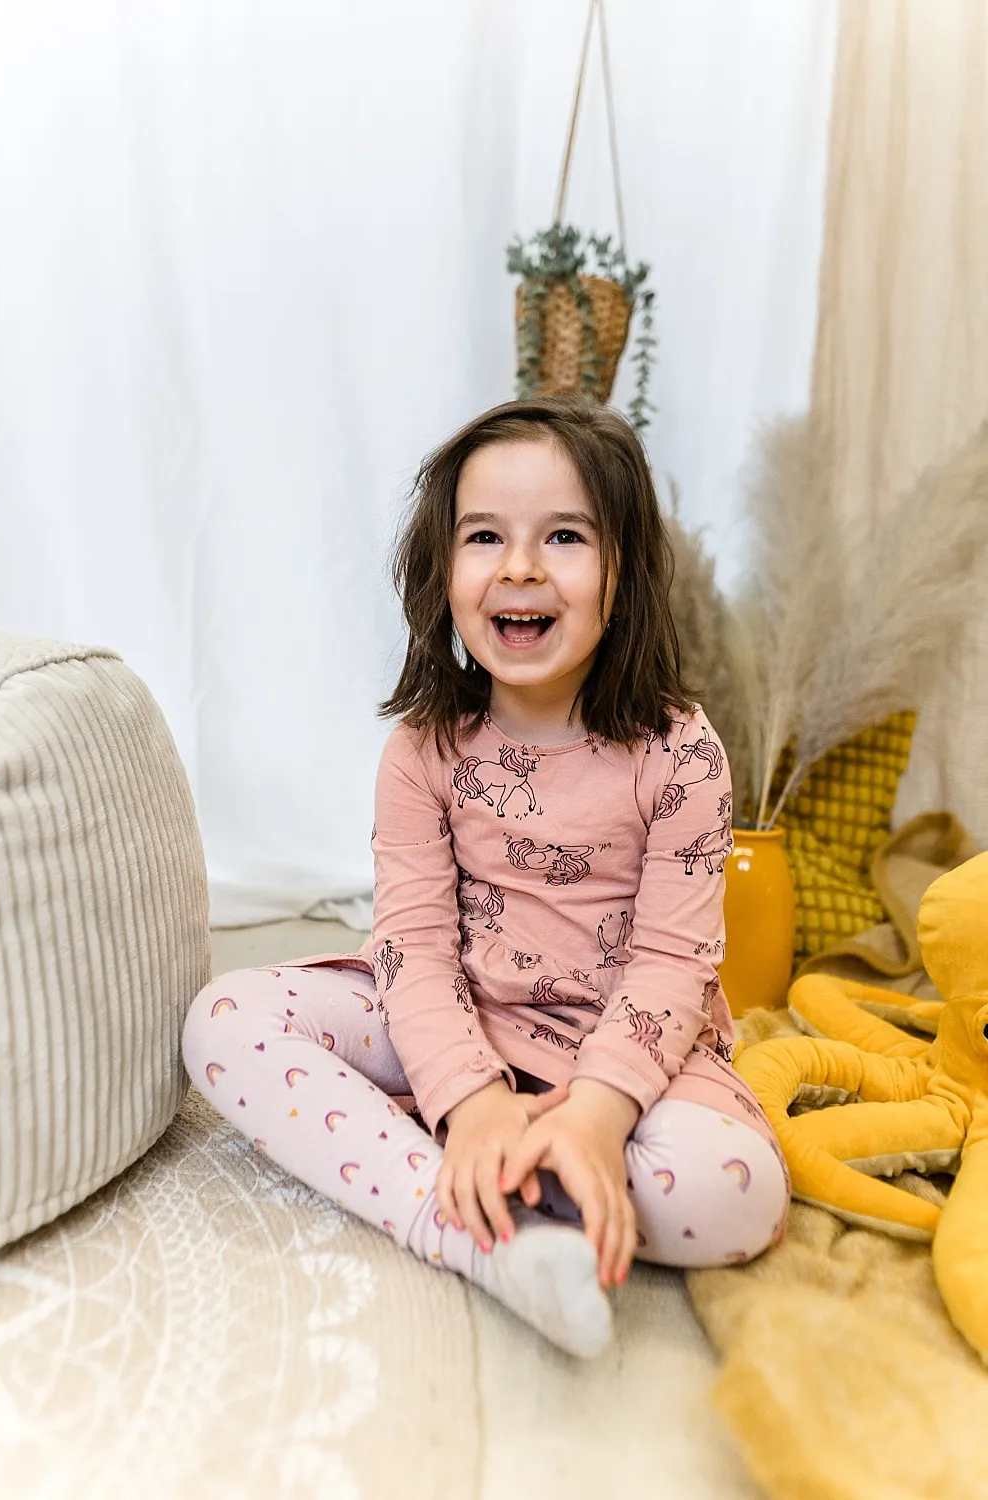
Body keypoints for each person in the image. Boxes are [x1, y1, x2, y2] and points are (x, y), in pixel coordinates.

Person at [183, 394, 790, 1360]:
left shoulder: (681, 752)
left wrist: (596, 1117)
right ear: (445, 574)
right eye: (484, 537)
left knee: (736, 1194)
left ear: (623, 571)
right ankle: (469, 1226)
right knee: (224, 1020)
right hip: (456, 1018)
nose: (519, 566)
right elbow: (414, 947)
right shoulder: (423, 750)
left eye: (563, 536)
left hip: (621, 1046)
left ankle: (517, 1162)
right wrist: (469, 1102)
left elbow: (676, 964)